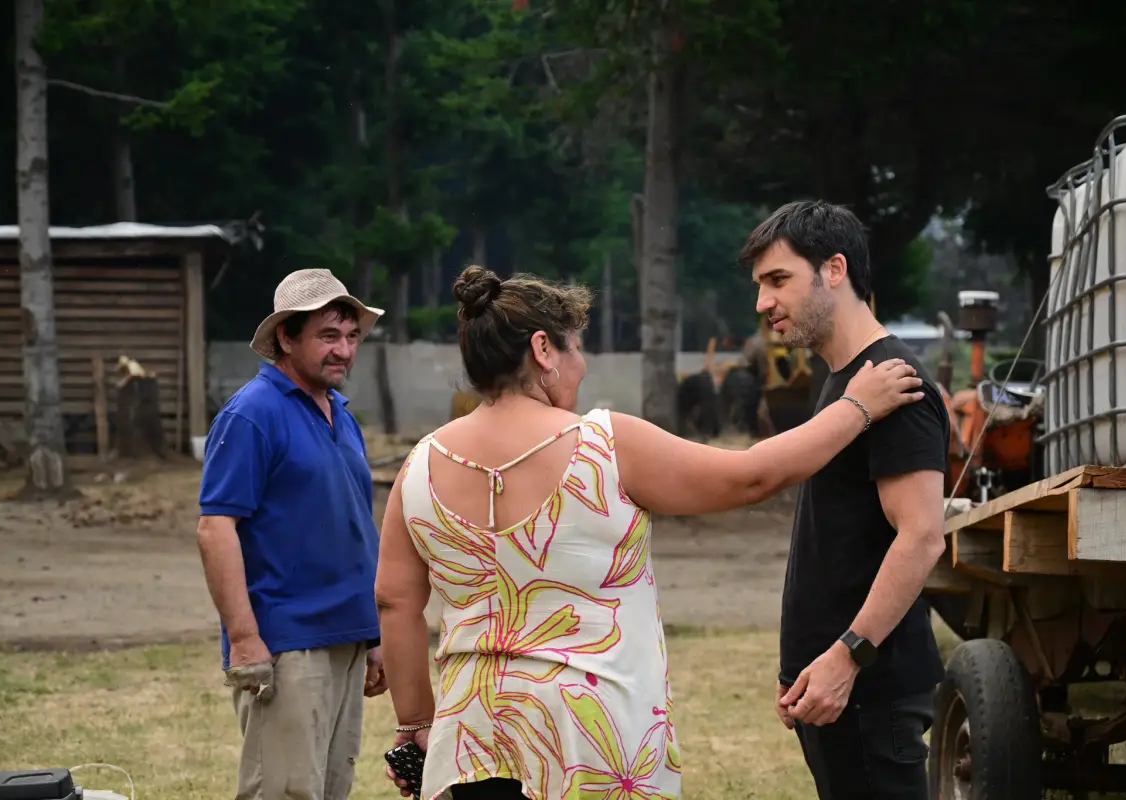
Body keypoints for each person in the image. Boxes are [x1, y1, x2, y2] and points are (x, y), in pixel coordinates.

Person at [374, 265, 927, 800]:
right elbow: (751, 475)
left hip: (473, 736)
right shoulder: (602, 443)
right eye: (576, 348)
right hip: (593, 737)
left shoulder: (419, 466)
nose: (582, 367)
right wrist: (857, 406)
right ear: (543, 350)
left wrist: (415, 723)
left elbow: (395, 602)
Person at [739, 200, 950, 800]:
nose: (763, 303)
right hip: (834, 690)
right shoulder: (851, 384)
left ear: (834, 270)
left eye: (778, 280)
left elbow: (921, 536)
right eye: (759, 286)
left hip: (867, 691)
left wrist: (847, 658)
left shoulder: (893, 382)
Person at [196, 268, 390, 800]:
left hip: (346, 636)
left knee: (329, 790)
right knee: (283, 793)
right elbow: (216, 530)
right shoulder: (252, 414)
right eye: (328, 336)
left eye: (351, 337)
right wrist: (244, 638)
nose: (345, 351)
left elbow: (353, 527)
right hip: (287, 644)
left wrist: (374, 633)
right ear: (286, 337)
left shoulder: (342, 415)